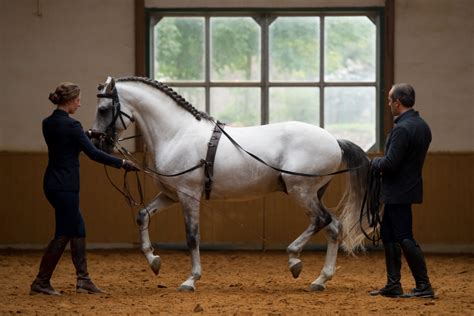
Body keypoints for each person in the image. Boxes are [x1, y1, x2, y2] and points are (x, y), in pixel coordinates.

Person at [30, 82, 139, 296]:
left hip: (52, 183)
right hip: (66, 186)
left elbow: (66, 140)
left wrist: (89, 133)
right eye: (78, 100)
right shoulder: (73, 126)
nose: (80, 104)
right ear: (70, 100)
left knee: (78, 229)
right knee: (63, 233)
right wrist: (123, 164)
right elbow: (94, 154)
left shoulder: (48, 123)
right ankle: (41, 282)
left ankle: (83, 280)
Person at [369, 83, 434, 298]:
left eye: (389, 100)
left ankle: (424, 286)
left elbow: (390, 164)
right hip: (405, 189)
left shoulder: (402, 129)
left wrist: (374, 163)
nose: (388, 104)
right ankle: (393, 284)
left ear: (397, 102)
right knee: (388, 234)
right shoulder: (421, 125)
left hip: (397, 191)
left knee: (404, 236)